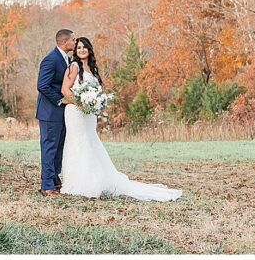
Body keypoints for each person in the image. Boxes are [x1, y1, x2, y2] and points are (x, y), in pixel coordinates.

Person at [59, 37, 182, 201]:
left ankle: (95, 179)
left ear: (89, 49)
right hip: (75, 111)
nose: (81, 49)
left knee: (90, 141)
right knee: (77, 142)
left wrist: (95, 103)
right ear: (75, 50)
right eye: (78, 47)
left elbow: (96, 90)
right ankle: (78, 182)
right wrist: (81, 103)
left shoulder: (93, 69)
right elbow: (65, 89)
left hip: (89, 114)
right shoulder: (74, 66)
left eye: (84, 47)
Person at [35, 29, 75, 195]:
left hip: (61, 113)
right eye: (73, 40)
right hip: (49, 112)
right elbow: (42, 85)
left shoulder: (66, 59)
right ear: (65, 42)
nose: (75, 42)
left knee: (59, 147)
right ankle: (46, 186)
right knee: (49, 147)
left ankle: (54, 180)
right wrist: (60, 99)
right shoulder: (50, 60)